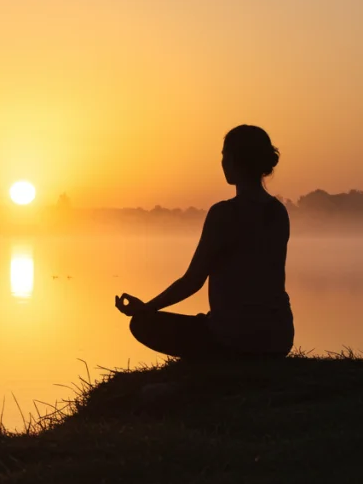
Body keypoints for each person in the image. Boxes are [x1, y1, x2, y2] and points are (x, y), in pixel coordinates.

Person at [115, 125, 294, 359]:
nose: (222, 162)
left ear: (235, 160)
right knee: (208, 323)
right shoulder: (278, 212)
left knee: (141, 324)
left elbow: (192, 281)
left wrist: (146, 308)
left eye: (224, 155)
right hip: (279, 338)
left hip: (234, 339)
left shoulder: (224, 213)